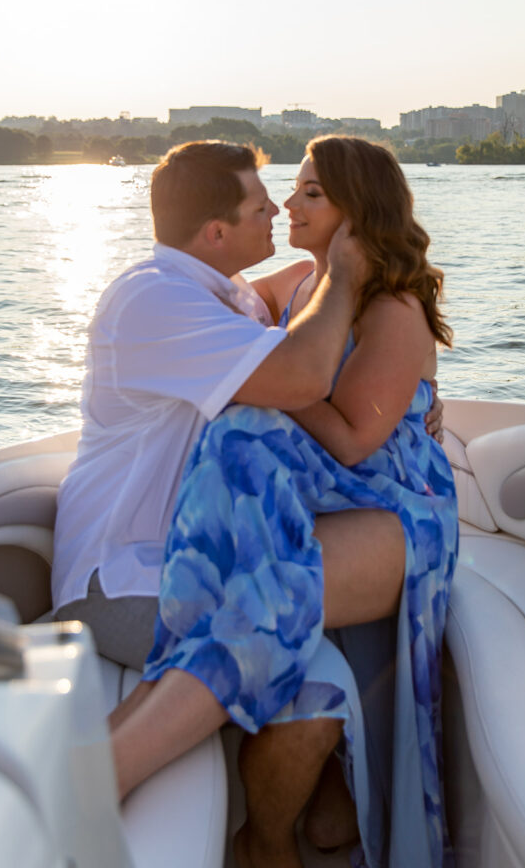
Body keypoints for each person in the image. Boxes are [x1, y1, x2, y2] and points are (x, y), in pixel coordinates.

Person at [111, 137, 459, 868]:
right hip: (322, 499)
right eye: (288, 192)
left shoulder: (392, 306)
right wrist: (261, 363)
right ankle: (299, 807)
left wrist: (268, 381)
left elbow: (352, 443)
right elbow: (238, 312)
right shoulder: (300, 282)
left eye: (309, 194)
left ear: (357, 214)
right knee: (246, 441)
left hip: (393, 506)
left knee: (248, 443)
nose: (287, 206)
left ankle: (117, 767)